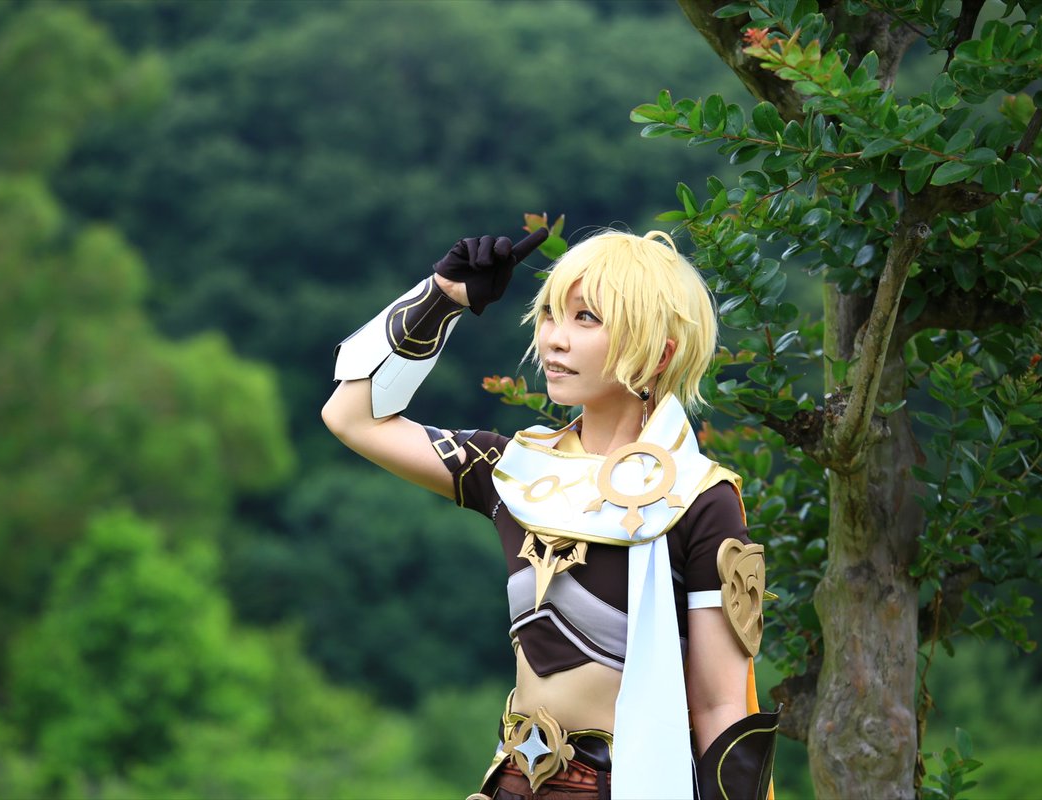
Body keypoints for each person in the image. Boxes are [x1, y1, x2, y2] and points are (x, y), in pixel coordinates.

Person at [323, 227, 779, 800]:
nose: (553, 339)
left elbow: (719, 709)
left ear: (659, 352)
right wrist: (442, 297)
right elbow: (352, 416)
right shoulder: (512, 469)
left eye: (586, 318)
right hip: (510, 783)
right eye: (549, 315)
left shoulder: (699, 497)